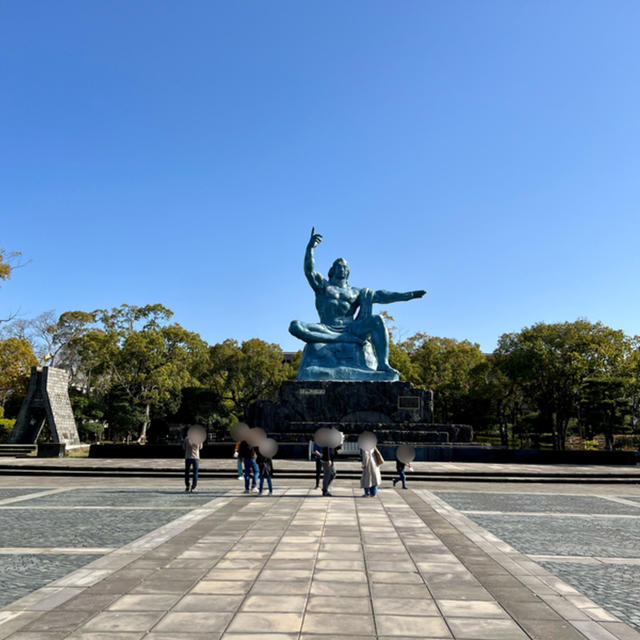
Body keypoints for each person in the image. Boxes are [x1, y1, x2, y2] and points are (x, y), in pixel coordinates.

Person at [289, 228, 425, 375]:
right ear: (332, 270)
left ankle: (383, 364)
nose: (342, 268)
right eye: (339, 266)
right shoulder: (323, 286)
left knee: (377, 320)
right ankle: (337, 338)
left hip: (351, 328)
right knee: (295, 325)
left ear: (348, 271)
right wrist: (310, 248)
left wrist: (407, 295)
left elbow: (381, 295)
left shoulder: (357, 292)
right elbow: (309, 271)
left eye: (345, 267)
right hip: (326, 327)